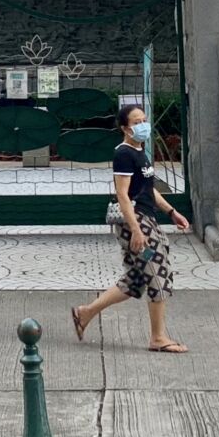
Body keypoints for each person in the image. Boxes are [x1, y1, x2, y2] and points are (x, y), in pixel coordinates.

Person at [69, 104, 192, 353]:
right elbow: (123, 195)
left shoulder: (139, 151)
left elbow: (149, 189)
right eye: (136, 122)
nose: (142, 125)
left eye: (144, 119)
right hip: (136, 223)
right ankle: (158, 338)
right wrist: (136, 230)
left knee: (137, 278)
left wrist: (172, 212)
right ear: (125, 128)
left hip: (147, 219)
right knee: (158, 272)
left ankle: (85, 313)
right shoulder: (124, 153)